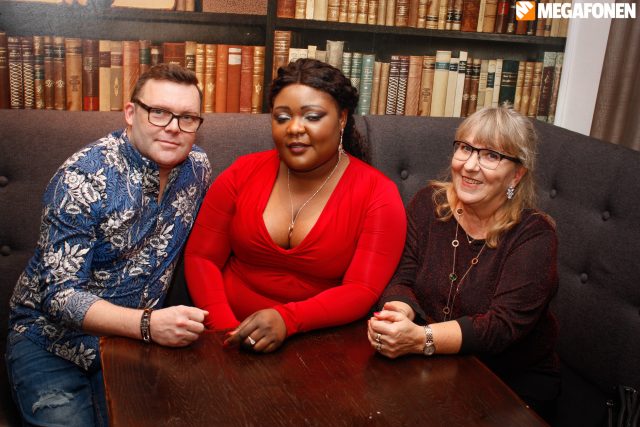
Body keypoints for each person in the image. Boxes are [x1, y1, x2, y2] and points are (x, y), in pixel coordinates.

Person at [6, 64, 211, 426]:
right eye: (159, 112)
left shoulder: (197, 169)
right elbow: (60, 297)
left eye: (187, 117)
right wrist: (148, 324)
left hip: (129, 345)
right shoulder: (82, 178)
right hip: (49, 340)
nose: (173, 127)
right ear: (130, 113)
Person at [184, 58, 406, 353]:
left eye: (312, 117)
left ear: (342, 118)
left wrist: (288, 320)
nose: (294, 128)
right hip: (227, 336)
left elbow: (361, 289)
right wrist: (226, 331)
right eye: (282, 117)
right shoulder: (241, 173)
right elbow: (202, 258)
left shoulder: (379, 194)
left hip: (321, 345)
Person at [368, 107, 560, 421]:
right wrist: (397, 317)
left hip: (508, 382)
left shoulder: (534, 235)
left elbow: (501, 327)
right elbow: (402, 277)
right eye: (465, 148)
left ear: (516, 175)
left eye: (491, 155)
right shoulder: (429, 203)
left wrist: (419, 339)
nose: (470, 166)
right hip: (436, 365)